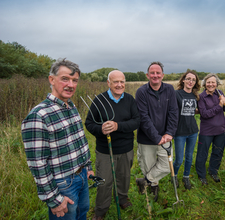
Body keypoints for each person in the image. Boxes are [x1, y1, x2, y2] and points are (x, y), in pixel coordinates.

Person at [21, 58, 94, 220]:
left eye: (75, 80)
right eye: (65, 79)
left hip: (81, 176)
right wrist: (53, 199)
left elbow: (79, 142)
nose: (71, 85)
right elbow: (38, 164)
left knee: (82, 214)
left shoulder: (71, 107)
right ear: (51, 79)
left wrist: (87, 167)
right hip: (63, 183)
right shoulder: (39, 115)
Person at [85, 70, 140, 220]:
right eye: (115, 82)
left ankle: (122, 199)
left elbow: (136, 120)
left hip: (126, 148)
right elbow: (89, 123)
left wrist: (118, 126)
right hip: (105, 150)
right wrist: (100, 129)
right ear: (108, 83)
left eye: (122, 81)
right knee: (104, 182)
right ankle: (101, 210)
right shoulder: (99, 100)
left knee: (124, 177)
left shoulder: (129, 100)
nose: (119, 85)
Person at [135, 61, 178, 202]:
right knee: (149, 165)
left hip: (165, 137)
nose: (155, 75)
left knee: (166, 166)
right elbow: (143, 117)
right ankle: (153, 192)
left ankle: (145, 181)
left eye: (158, 73)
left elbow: (173, 112)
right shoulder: (141, 92)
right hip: (147, 139)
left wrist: (169, 133)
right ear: (147, 75)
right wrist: (155, 137)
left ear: (162, 75)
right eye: (152, 73)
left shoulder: (169, 89)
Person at [195, 73, 225, 185]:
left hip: (221, 130)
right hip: (207, 131)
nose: (211, 84)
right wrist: (219, 105)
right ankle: (201, 175)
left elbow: (224, 109)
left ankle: (213, 171)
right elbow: (204, 114)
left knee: (218, 152)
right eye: (208, 82)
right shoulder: (201, 97)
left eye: (213, 82)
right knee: (202, 153)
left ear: (217, 83)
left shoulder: (220, 93)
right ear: (204, 84)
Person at [173, 70, 200, 190]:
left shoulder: (195, 95)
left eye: (193, 80)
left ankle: (186, 177)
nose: (191, 81)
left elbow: (197, 110)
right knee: (179, 159)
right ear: (183, 80)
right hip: (180, 132)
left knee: (189, 156)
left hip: (193, 131)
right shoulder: (176, 94)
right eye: (188, 79)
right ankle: (174, 176)